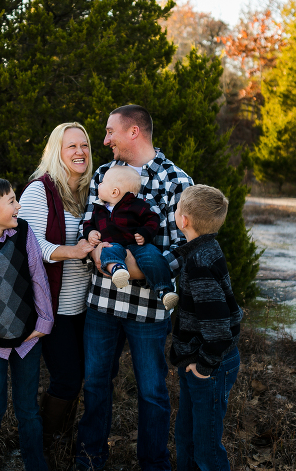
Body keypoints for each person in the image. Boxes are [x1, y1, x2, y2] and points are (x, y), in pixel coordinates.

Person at [75, 105, 193, 471]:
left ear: (134, 133)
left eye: (111, 132)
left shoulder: (176, 181)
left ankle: (154, 463)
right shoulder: (102, 174)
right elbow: (88, 225)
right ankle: (90, 459)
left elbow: (182, 246)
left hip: (148, 310)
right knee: (95, 384)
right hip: (102, 304)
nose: (105, 140)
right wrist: (96, 253)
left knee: (153, 392)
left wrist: (137, 270)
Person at [0, 177, 54, 471]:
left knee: (28, 409)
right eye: (12, 201)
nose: (18, 206)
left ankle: (35, 463)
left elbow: (37, 274)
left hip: (28, 337)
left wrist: (45, 320)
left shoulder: (24, 232)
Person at [18, 122, 95, 445]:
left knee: (85, 378)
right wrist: (73, 251)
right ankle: (45, 444)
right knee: (67, 378)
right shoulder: (40, 190)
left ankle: (64, 440)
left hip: (87, 305)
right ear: (57, 153)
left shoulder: (92, 190)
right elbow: (30, 247)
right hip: (53, 305)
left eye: (85, 146)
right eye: (71, 147)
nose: (80, 152)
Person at [169, 184, 242, 471]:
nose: (175, 213)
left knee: (207, 448)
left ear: (183, 220)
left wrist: (204, 365)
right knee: (186, 436)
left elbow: (217, 325)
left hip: (210, 365)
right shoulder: (203, 249)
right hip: (197, 360)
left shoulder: (199, 262)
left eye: (177, 208)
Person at [83, 164, 179, 309]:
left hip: (138, 245)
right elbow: (88, 224)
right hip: (113, 244)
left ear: (115, 191)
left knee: (154, 255)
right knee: (107, 250)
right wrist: (90, 232)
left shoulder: (137, 206)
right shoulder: (99, 208)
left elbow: (152, 220)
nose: (99, 184)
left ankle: (165, 291)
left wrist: (145, 233)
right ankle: (118, 269)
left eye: (102, 183)